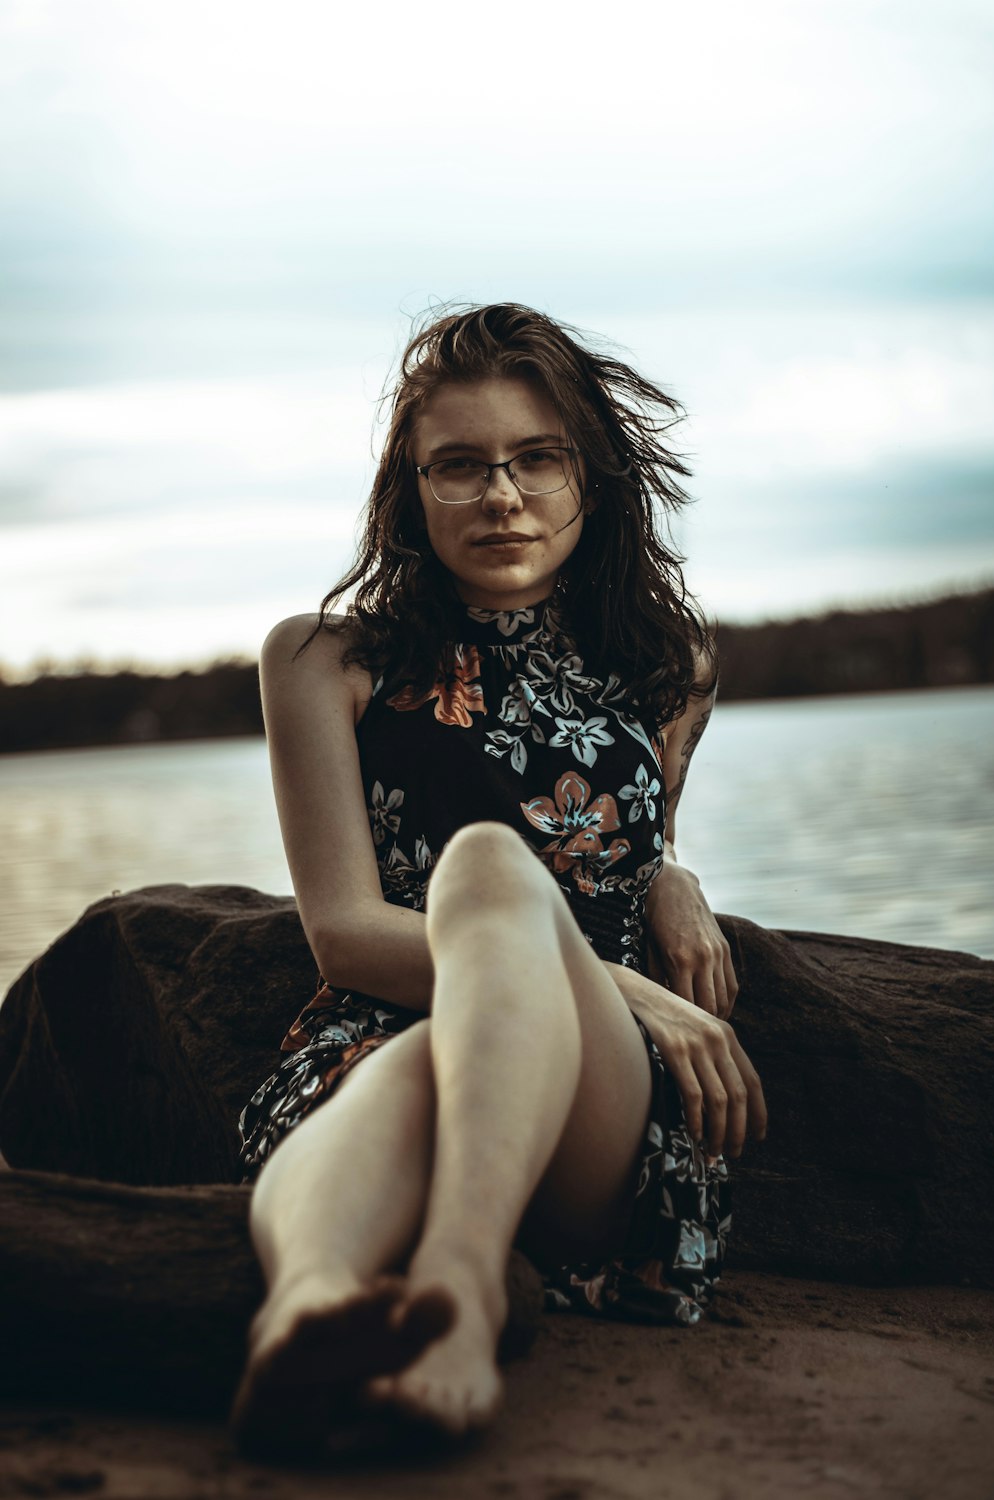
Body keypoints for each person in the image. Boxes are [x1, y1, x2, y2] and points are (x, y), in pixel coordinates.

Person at [231, 303, 766, 1455]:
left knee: (484, 864)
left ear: (592, 472)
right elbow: (339, 932)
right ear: (411, 489)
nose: (502, 496)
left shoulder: (669, 665)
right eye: (459, 466)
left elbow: (640, 840)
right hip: (383, 1028)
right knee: (428, 1048)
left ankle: (459, 1300)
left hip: (589, 1093)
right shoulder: (326, 660)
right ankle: (312, 1308)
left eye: (536, 458)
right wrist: (629, 980)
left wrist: (674, 874)